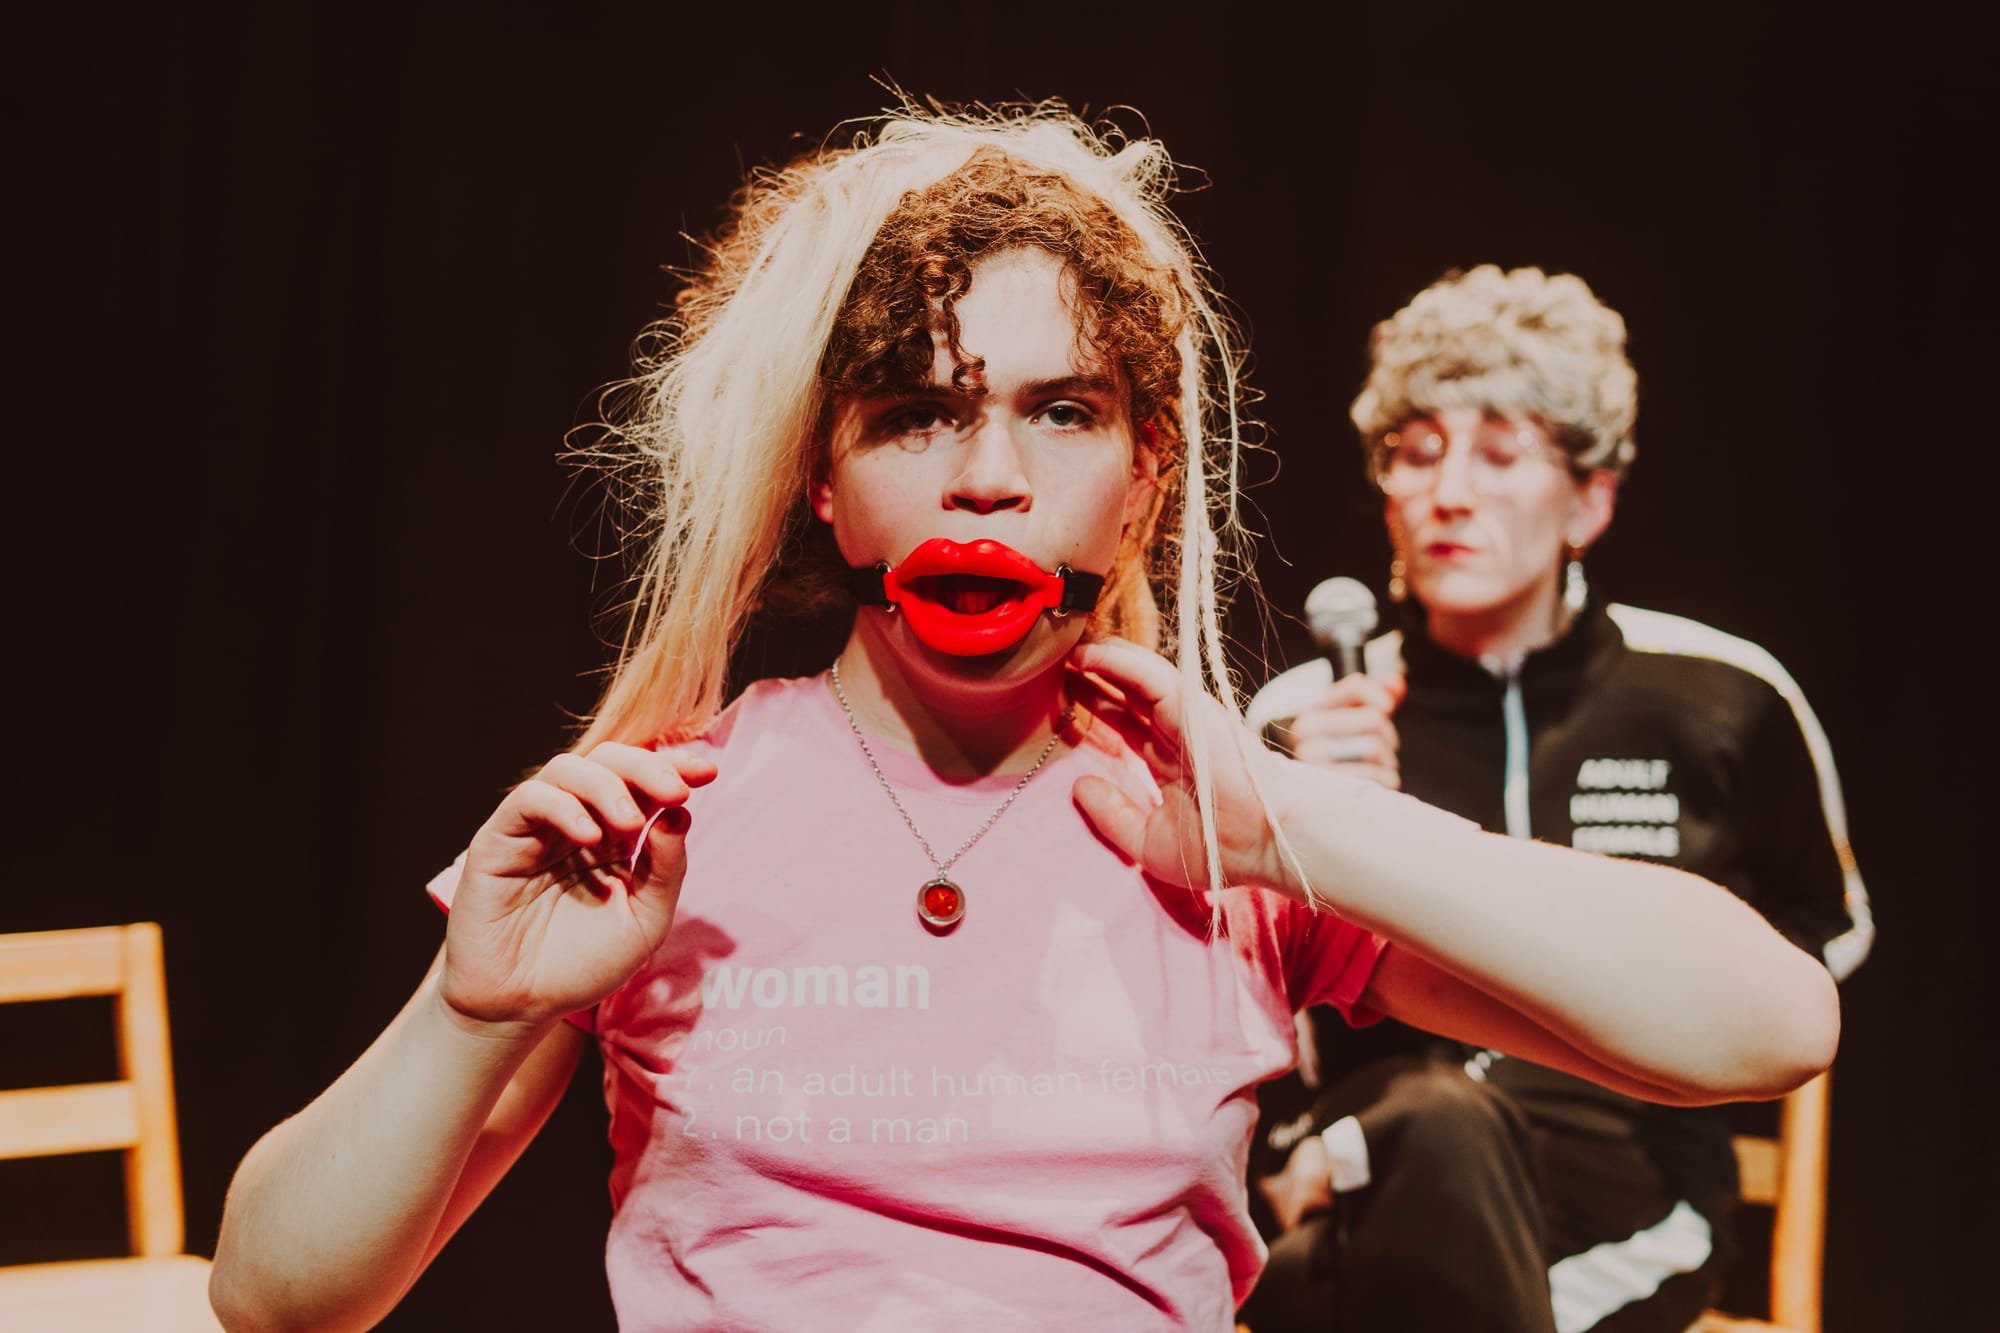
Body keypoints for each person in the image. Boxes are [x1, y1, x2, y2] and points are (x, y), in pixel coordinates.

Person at [206, 116, 1837, 1333]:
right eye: (918, 412)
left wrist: (1294, 824)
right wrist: (470, 1005)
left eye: (1063, 411)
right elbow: (277, 1293)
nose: (989, 473)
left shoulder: (1214, 829)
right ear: (828, 489)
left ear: (1142, 480)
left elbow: (1763, 1026)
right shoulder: (661, 817)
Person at [1238, 265, 1872, 1333]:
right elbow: (1241, 1009)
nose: (1448, 492)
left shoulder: (1721, 694)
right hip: (1370, 1155)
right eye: (1414, 452)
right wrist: (1335, 838)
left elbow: (1819, 943)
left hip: (1619, 1191)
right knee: (1429, 1130)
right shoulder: (1304, 719)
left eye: (1498, 453)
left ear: (1587, 497)